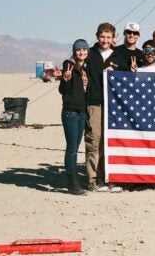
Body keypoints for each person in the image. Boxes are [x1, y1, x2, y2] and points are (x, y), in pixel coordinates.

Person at [85, 22, 126, 193]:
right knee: (94, 139)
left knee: (110, 141)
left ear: (113, 38)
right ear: (97, 37)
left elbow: (127, 78)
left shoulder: (118, 57)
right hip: (94, 102)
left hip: (113, 105)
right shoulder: (89, 54)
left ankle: (107, 177)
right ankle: (92, 179)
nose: (105, 40)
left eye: (108, 37)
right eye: (102, 37)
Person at [57, 39, 91, 195]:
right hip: (70, 112)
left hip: (82, 113)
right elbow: (63, 90)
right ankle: (72, 183)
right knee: (71, 149)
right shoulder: (68, 65)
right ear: (74, 51)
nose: (81, 52)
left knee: (76, 149)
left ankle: (74, 181)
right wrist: (65, 79)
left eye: (84, 49)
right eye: (78, 50)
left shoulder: (87, 67)